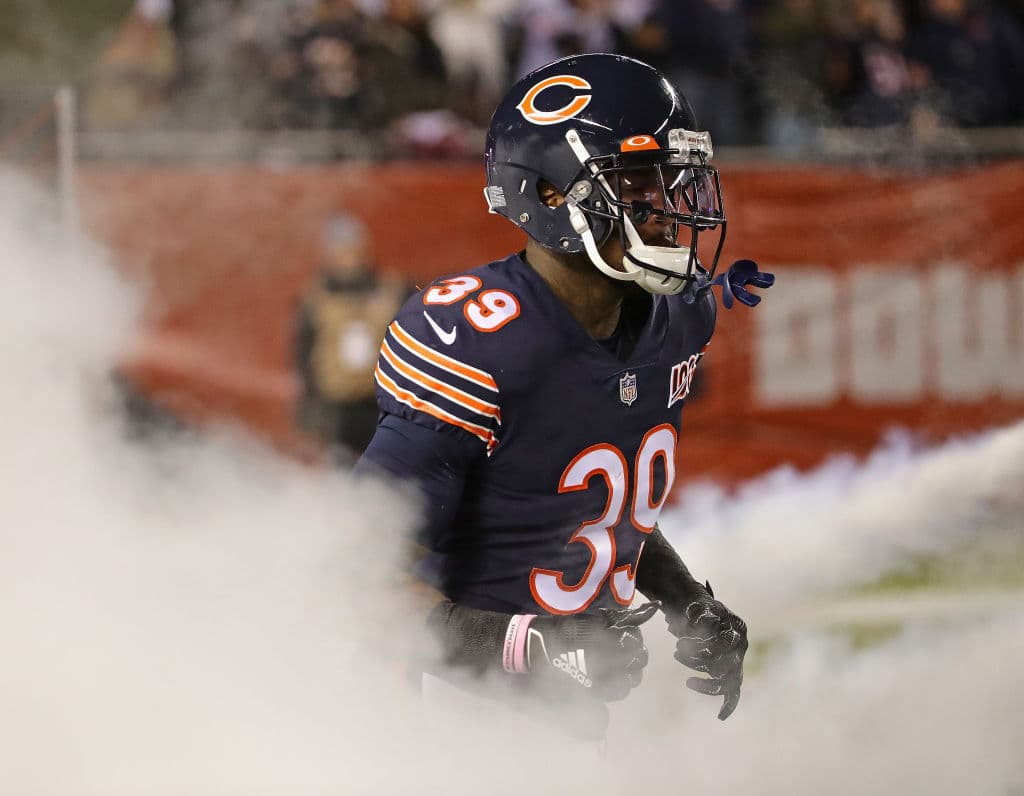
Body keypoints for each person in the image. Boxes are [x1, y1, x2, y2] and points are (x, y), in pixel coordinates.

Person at [355, 53, 773, 740]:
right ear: (549, 194)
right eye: (640, 184)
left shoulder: (678, 316)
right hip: (448, 717)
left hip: (566, 718)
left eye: (677, 183)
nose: (671, 209)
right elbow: (352, 577)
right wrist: (531, 647)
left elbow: (583, 505)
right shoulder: (478, 339)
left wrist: (685, 599)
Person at [294, 213, 409, 459]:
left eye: (352, 247)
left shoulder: (390, 290)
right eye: (341, 248)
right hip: (337, 405)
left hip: (380, 402)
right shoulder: (316, 297)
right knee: (341, 468)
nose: (348, 255)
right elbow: (304, 350)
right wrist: (309, 398)